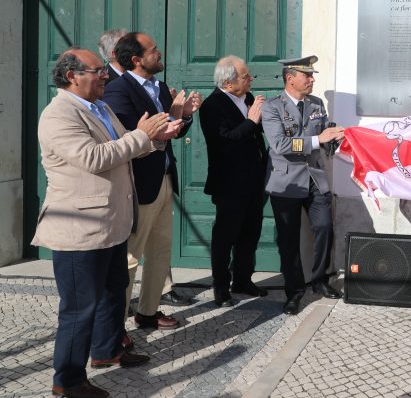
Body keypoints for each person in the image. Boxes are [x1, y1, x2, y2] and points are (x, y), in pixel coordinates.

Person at [32, 49, 180, 398]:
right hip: (80, 229)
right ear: (72, 76)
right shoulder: (58, 115)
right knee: (78, 310)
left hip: (112, 223)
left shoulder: (99, 107)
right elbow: (93, 158)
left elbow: (124, 148)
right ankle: (67, 381)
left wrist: (157, 139)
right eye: (98, 71)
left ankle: (107, 350)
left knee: (113, 292)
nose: (106, 77)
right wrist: (140, 136)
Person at [103, 32, 201, 331]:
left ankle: (148, 312)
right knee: (131, 257)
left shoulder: (159, 86)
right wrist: (161, 128)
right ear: (136, 59)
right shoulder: (118, 90)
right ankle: (115, 328)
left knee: (160, 251)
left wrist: (183, 117)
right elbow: (127, 137)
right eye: (153, 50)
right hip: (138, 183)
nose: (159, 53)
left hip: (164, 178)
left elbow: (172, 131)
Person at [261, 55, 345, 315]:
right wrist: (319, 139)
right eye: (307, 75)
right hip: (285, 181)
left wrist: (335, 139)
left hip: (315, 179)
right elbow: (281, 145)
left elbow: (324, 143)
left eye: (312, 75)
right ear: (290, 78)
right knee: (289, 240)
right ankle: (294, 291)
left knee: (324, 227)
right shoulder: (272, 107)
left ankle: (319, 279)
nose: (312, 79)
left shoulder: (316, 104)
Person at [200, 56, 269, 307]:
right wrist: (251, 121)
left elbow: (257, 134)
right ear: (228, 83)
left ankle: (243, 279)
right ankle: (221, 286)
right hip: (229, 184)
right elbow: (225, 141)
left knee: (250, 234)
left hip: (254, 181)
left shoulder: (249, 99)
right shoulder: (212, 106)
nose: (250, 79)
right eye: (245, 76)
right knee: (225, 237)